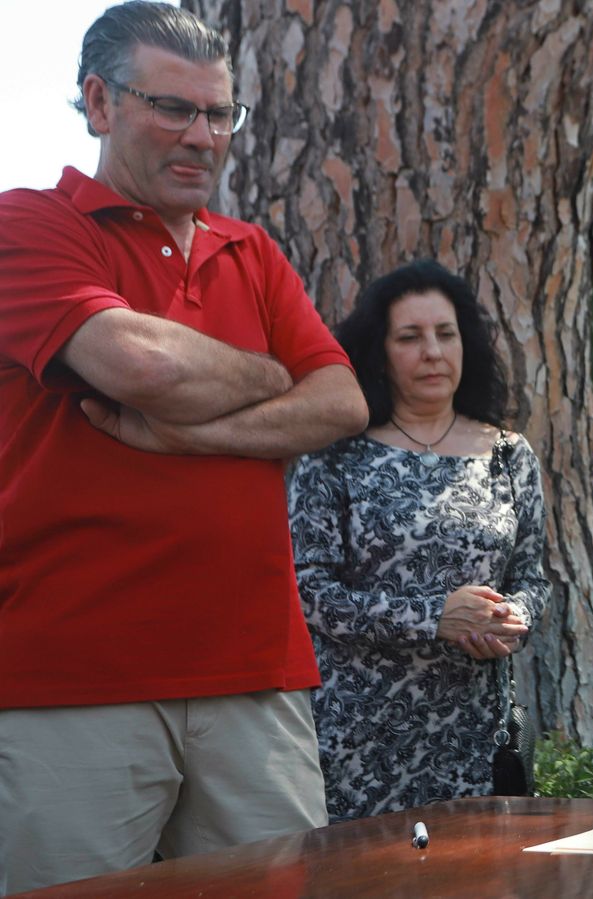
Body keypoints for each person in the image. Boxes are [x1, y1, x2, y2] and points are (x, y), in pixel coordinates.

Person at [0, 3, 368, 892]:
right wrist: (272, 373)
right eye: (173, 108)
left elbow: (345, 402)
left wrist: (183, 434)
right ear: (98, 102)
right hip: (71, 675)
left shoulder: (253, 250)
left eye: (219, 114)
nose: (203, 136)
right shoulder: (28, 224)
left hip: (256, 671)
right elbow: (135, 362)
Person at [288, 260, 552, 821]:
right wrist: (433, 617)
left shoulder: (509, 455)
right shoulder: (336, 452)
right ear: (380, 353)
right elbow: (306, 591)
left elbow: (534, 579)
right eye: (410, 337)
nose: (432, 351)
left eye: (446, 333)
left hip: (477, 736)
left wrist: (509, 618)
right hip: (356, 738)